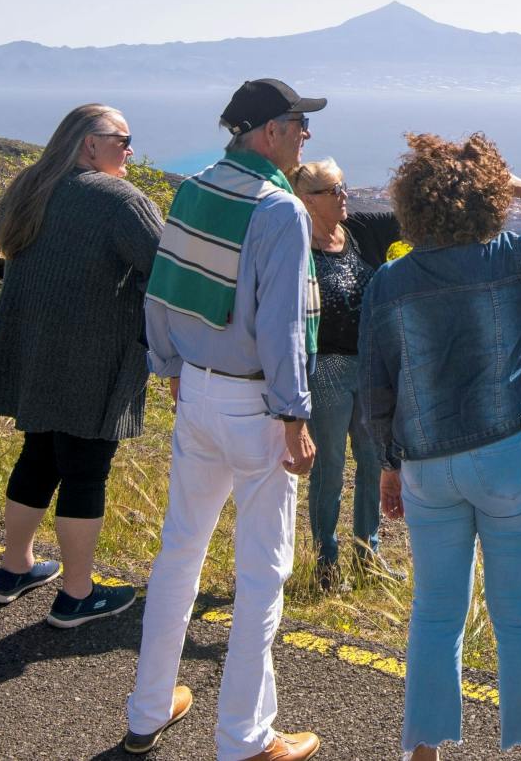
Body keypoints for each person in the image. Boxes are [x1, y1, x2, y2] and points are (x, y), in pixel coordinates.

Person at [360, 132, 521, 761]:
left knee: (435, 613)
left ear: (413, 202)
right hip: (509, 458)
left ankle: (422, 748)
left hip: (427, 465)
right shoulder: (511, 259)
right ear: (487, 200)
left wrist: (390, 466)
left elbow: (378, 388)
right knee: (520, 613)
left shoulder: (389, 283)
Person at [125, 79, 327, 761]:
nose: (306, 135)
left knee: (179, 551)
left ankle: (149, 706)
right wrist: (295, 414)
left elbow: (164, 287)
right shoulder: (280, 210)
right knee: (263, 572)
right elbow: (283, 327)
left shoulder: (194, 188)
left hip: (197, 394)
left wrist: (174, 367)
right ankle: (245, 737)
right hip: (256, 405)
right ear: (268, 131)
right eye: (299, 123)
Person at [0, 103, 162, 628]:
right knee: (85, 468)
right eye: (122, 139)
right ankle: (77, 594)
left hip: (35, 350)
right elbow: (168, 269)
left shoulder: (30, 186)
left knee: (39, 454)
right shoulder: (119, 199)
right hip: (91, 356)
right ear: (88, 143)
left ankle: (14, 568)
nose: (129, 150)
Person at [288, 157, 402, 591]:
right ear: (307, 200)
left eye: (343, 186)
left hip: (372, 368)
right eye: (333, 190)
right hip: (328, 369)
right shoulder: (295, 244)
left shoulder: (362, 231)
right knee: (330, 466)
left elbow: (411, 219)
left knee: (374, 461)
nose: (343, 196)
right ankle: (325, 561)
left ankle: (367, 552)